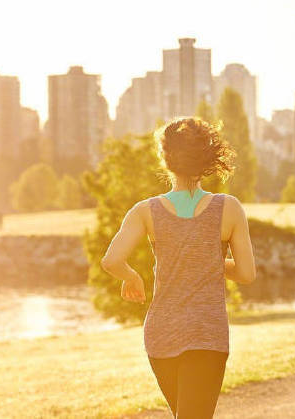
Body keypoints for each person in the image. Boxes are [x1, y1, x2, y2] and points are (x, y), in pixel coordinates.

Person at [100, 116, 256, 418]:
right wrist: (209, 260)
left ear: (165, 159)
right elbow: (247, 274)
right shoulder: (230, 208)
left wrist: (130, 276)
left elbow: (111, 261)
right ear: (205, 158)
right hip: (206, 335)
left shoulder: (145, 211)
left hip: (160, 335)